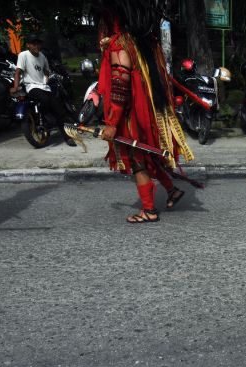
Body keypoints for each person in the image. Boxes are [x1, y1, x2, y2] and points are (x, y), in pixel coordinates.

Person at [94, 0, 193, 223]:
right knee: (148, 156)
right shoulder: (142, 42)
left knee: (138, 161)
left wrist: (111, 123)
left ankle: (148, 210)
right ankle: (172, 191)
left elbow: (120, 86)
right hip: (146, 113)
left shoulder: (121, 45)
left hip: (132, 117)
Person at [10, 34, 75, 146]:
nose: (37, 46)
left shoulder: (42, 56)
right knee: (43, 98)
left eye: (38, 43)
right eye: (34, 43)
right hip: (31, 86)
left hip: (44, 86)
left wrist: (46, 78)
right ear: (28, 45)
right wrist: (15, 87)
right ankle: (46, 115)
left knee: (59, 110)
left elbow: (46, 70)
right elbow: (18, 72)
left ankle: (67, 137)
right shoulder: (23, 55)